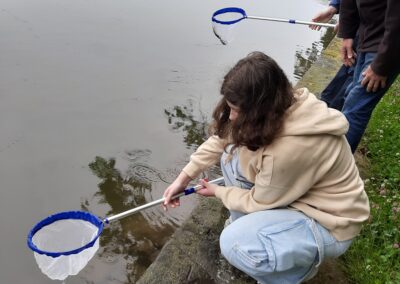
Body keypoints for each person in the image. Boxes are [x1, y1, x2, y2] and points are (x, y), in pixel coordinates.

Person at [163, 52, 370, 284]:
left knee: (233, 244)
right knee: (230, 157)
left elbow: (257, 201)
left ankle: (290, 275)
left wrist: (219, 192)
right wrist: (183, 177)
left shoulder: (291, 149)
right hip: (296, 193)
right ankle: (257, 231)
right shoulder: (286, 104)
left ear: (260, 109)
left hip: (330, 223)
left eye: (236, 110)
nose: (231, 116)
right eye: (230, 107)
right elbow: (222, 139)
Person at [338, 0, 400, 153]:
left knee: (355, 108)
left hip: (389, 46)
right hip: (367, 37)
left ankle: (335, 169)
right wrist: (347, 34)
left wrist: (381, 65)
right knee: (350, 96)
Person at [310, 0, 358, 111]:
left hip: (378, 35)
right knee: (349, 65)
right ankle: (325, 106)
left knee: (355, 81)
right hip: (360, 31)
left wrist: (350, 20)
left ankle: (336, 114)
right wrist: (333, 8)